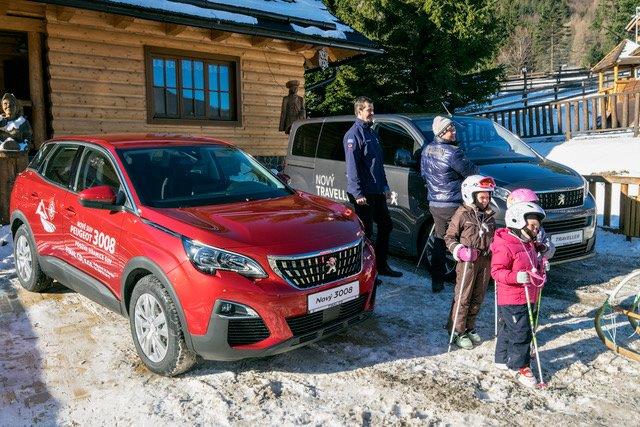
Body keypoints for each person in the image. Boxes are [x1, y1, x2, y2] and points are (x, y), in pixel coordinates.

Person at [344, 96, 402, 279]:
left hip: (377, 190)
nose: (372, 112)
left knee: (386, 225)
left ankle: (381, 266)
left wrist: (385, 186)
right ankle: (365, 275)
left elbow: (378, 164)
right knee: (366, 233)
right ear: (359, 111)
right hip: (363, 193)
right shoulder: (353, 135)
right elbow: (352, 167)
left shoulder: (372, 133)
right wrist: (357, 193)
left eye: (372, 109)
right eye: (369, 109)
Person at [490, 201, 546, 388]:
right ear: (518, 221)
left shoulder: (528, 243)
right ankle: (520, 366)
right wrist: (515, 277)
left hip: (528, 295)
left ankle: (502, 358)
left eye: (537, 226)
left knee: (510, 328)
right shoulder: (506, 244)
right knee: (521, 332)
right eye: (532, 226)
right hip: (512, 298)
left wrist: (541, 266)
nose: (536, 230)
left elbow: (530, 265)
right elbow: (496, 272)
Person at [421, 116, 478, 292]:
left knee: (440, 240)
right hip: (454, 203)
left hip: (436, 203)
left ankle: (437, 280)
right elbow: (472, 171)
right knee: (464, 241)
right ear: (441, 132)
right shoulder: (453, 152)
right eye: (450, 130)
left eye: (453, 128)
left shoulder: (426, 150)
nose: (454, 132)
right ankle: (464, 281)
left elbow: (424, 174)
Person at [444, 175, 497, 350]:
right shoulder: (462, 214)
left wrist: (495, 246)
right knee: (464, 296)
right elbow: (449, 237)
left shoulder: (489, 216)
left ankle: (469, 326)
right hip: (468, 262)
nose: (485, 200)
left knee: (478, 296)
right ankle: (457, 330)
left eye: (488, 196)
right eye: (482, 197)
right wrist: (459, 250)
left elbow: (493, 236)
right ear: (471, 195)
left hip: (485, 260)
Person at [506, 188, 556, 265]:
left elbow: (551, 249)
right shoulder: (509, 233)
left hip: (536, 267)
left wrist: (544, 248)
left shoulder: (538, 230)